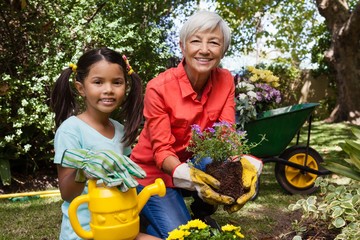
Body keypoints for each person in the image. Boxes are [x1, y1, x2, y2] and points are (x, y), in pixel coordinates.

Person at [129, 10, 263, 239]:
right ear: (182, 46)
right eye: (196, 41)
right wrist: (190, 177)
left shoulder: (225, 80)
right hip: (153, 174)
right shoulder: (158, 88)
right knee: (183, 234)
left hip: (193, 163)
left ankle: (201, 211)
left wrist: (246, 165)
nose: (204, 49)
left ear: (223, 50)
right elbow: (162, 151)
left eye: (213, 42)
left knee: (221, 164)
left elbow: (226, 135)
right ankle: (140, 222)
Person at [50, 47, 161, 240]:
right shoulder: (71, 130)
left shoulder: (119, 129)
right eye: (98, 82)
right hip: (86, 232)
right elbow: (67, 194)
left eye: (116, 82)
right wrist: (84, 169)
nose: (108, 89)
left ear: (125, 86)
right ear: (81, 88)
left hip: (120, 226)